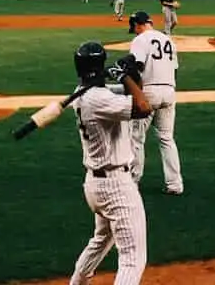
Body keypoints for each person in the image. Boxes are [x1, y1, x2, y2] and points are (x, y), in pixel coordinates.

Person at [65, 40, 153, 285]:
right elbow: (144, 106)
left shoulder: (85, 94)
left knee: (100, 241)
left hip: (96, 185)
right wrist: (124, 77)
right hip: (116, 187)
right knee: (132, 258)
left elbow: (133, 94)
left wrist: (130, 76)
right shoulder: (98, 99)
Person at [127, 11, 184, 196]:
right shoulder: (168, 40)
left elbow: (136, 69)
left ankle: (133, 182)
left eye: (134, 27)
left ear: (138, 24)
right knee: (167, 138)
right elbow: (175, 70)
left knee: (136, 138)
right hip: (169, 91)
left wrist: (137, 95)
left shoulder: (140, 40)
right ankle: (175, 184)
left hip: (149, 91)